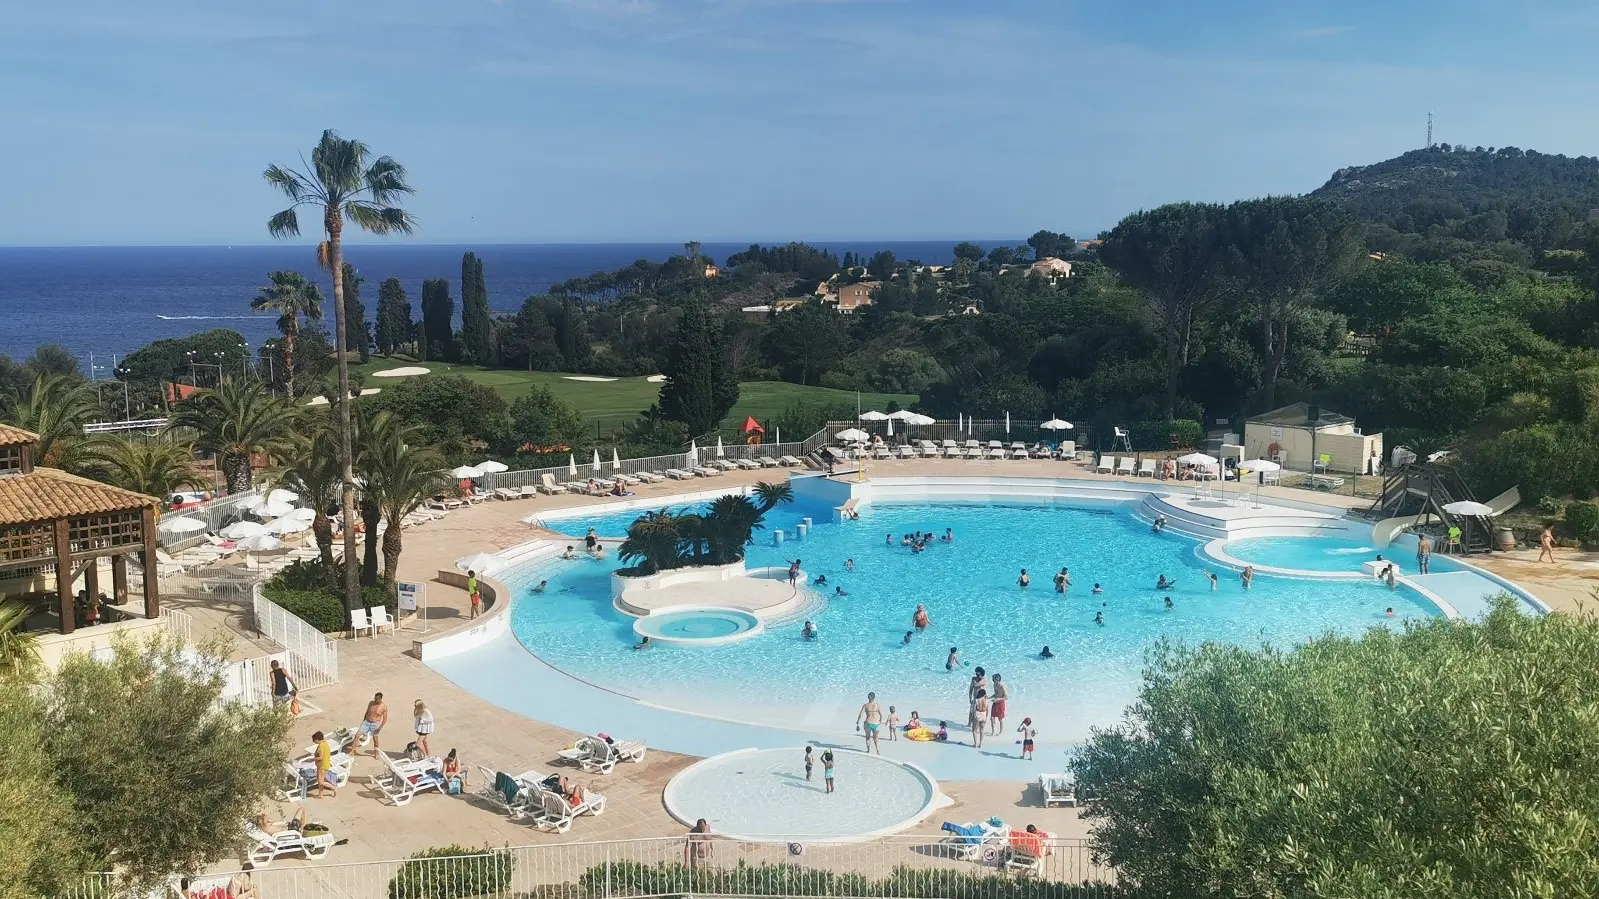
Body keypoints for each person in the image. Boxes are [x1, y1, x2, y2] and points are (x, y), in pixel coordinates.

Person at [360, 693, 388, 757]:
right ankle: (352, 750)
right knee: (357, 735)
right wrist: (363, 720)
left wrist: (379, 728)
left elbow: (385, 719)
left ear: (380, 699)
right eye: (375, 698)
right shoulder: (371, 703)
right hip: (367, 722)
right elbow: (367, 712)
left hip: (375, 724)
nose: (375, 700)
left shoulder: (384, 707)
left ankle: (376, 752)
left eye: (376, 699)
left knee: (375, 739)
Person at [311, 730, 337, 798]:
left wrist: (313, 759)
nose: (314, 741)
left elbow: (320, 757)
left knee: (320, 781)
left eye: (314, 740)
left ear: (317, 739)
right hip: (325, 764)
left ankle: (333, 788)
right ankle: (320, 794)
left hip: (322, 765)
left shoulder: (321, 746)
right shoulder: (325, 743)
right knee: (320, 780)